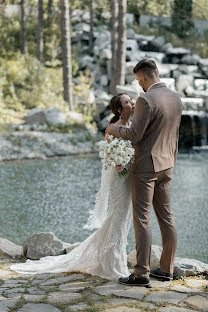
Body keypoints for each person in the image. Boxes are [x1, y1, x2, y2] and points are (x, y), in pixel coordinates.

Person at [10, 93, 136, 281]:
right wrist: (119, 161)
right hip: (119, 178)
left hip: (130, 178)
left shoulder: (132, 127)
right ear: (119, 109)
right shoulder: (112, 128)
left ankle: (111, 257)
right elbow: (108, 155)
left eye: (131, 100)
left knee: (124, 218)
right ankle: (112, 264)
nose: (132, 103)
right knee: (117, 217)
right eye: (127, 102)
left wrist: (130, 159)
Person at [106, 59, 182, 286]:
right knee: (167, 218)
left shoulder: (146, 100)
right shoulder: (176, 98)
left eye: (139, 80)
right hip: (168, 165)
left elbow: (135, 134)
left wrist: (114, 128)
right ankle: (167, 269)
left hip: (146, 168)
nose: (139, 85)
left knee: (142, 218)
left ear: (146, 77)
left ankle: (141, 273)